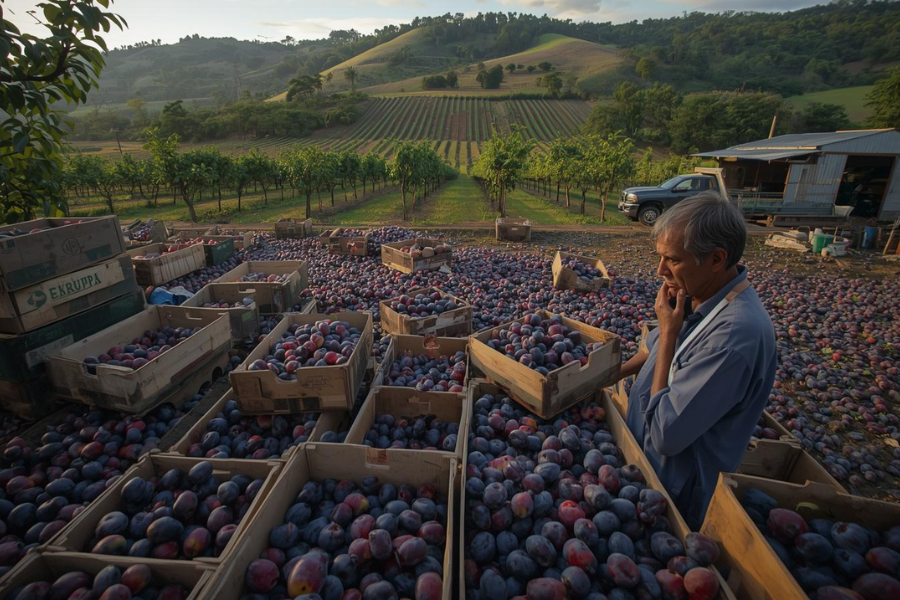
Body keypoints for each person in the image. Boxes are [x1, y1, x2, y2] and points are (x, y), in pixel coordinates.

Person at [618, 192, 777, 530]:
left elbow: (666, 435)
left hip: (674, 493)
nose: (660, 270)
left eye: (672, 259)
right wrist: (597, 377)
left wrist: (669, 331)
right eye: (659, 256)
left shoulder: (735, 337)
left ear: (716, 259)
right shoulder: (700, 293)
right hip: (641, 464)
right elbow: (652, 350)